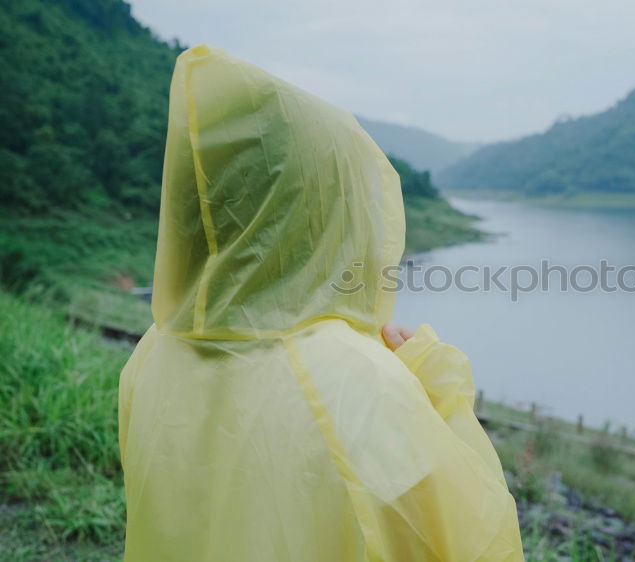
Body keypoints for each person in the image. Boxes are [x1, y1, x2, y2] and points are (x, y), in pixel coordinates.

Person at [117, 45, 524, 561]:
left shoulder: (152, 352)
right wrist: (436, 393)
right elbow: (465, 539)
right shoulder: (363, 384)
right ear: (336, 206)